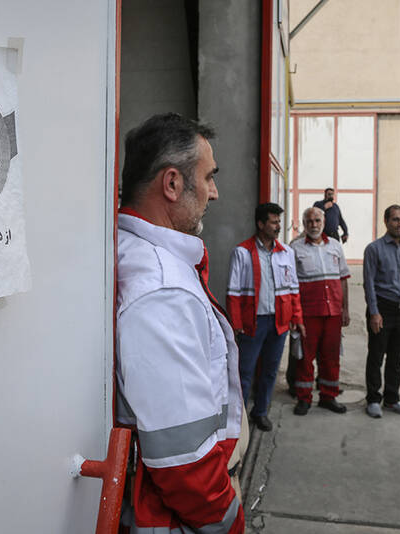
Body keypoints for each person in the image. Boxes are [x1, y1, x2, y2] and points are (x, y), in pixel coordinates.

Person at [115, 113, 244, 533]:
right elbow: (186, 465)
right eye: (208, 177)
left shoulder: (131, 251)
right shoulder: (163, 291)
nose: (214, 192)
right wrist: (230, 521)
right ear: (172, 184)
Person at [227, 203, 304, 432]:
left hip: (279, 321)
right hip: (253, 322)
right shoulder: (242, 252)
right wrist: (236, 323)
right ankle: (238, 420)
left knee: (270, 370)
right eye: (273, 222)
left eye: (279, 222)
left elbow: (293, 288)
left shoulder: (286, 253)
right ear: (260, 224)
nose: (278, 226)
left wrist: (296, 317)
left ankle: (260, 412)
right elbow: (233, 292)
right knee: (244, 372)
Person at [290, 207, 351, 415]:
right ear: (304, 224)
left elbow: (343, 279)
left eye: (317, 221)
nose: (314, 225)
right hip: (308, 313)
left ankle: (328, 396)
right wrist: (295, 314)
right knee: (305, 358)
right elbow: (291, 285)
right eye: (309, 221)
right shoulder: (295, 248)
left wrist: (345, 309)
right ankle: (304, 398)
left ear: (324, 222)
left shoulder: (335, 245)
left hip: (333, 312)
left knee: (331, 357)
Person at [363, 204, 400, 418]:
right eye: (395, 219)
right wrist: (374, 312)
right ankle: (373, 399)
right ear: (386, 221)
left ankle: (392, 399)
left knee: (396, 360)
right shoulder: (374, 249)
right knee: (376, 356)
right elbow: (369, 283)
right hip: (382, 309)